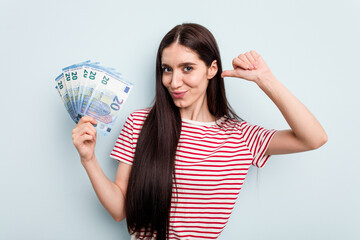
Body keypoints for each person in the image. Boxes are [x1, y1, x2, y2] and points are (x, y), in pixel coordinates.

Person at [72, 23, 328, 240]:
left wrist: (264, 79)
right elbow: (119, 210)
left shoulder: (240, 136)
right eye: (167, 69)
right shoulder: (140, 123)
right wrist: (88, 159)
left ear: (212, 69)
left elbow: (314, 138)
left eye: (187, 68)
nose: (174, 82)